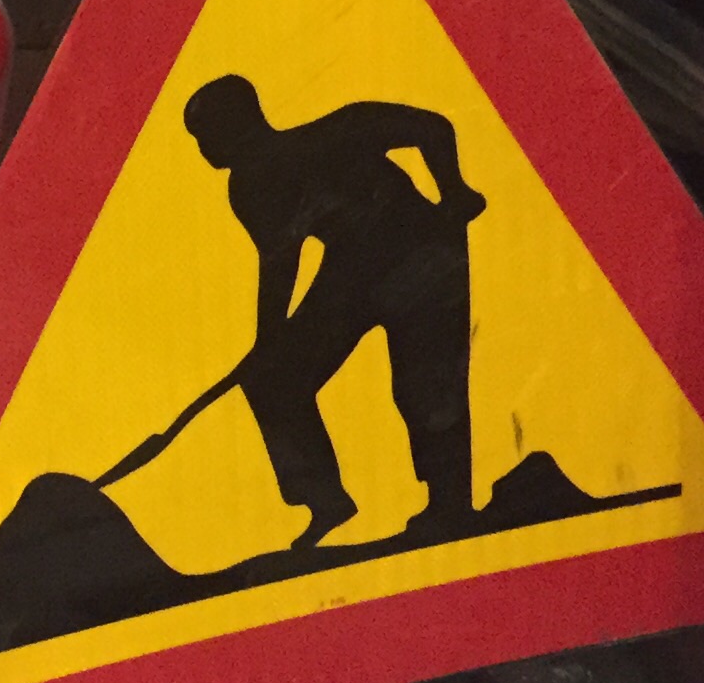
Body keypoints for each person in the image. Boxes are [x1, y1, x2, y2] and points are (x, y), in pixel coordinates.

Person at [181, 75, 486, 550]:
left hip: (420, 251)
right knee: (274, 380)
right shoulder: (248, 186)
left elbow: (433, 127)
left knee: (426, 387)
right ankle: (324, 499)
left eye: (207, 136)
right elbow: (279, 260)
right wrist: (268, 344)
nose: (204, 149)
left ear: (240, 124)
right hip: (351, 268)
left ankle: (450, 508)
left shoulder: (341, 130)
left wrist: (454, 193)